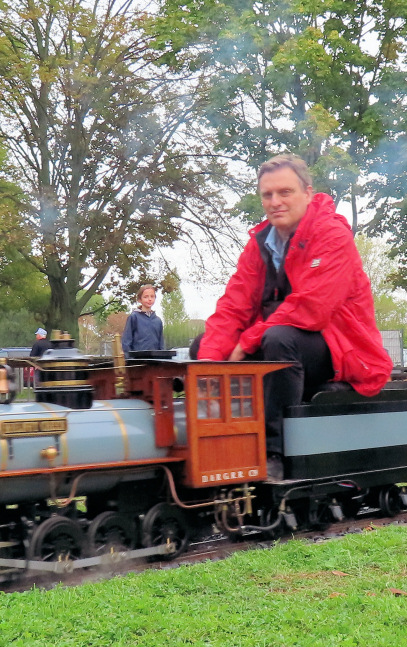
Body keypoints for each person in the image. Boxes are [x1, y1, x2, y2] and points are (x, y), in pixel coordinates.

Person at [197, 153, 391, 479]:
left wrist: (246, 342)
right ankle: (227, 438)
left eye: (284, 192)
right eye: (267, 195)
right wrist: (206, 365)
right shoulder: (259, 244)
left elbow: (311, 308)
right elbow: (234, 305)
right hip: (283, 339)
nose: (275, 201)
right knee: (201, 347)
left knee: (278, 340)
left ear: (308, 193)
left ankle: (276, 453)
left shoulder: (332, 235)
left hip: (342, 348)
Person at [121, 285, 165, 356]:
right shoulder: (134, 317)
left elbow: (161, 344)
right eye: (146, 297)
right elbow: (126, 341)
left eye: (152, 296)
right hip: (138, 360)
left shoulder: (158, 321)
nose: (149, 299)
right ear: (139, 299)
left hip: (155, 361)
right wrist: (129, 359)